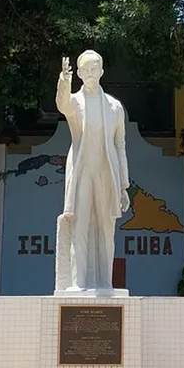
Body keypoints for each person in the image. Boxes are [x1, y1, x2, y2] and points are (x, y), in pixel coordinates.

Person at [54, 51, 131, 292]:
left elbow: (120, 145)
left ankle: (105, 282)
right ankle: (79, 282)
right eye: (85, 69)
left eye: (93, 68)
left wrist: (123, 186)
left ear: (102, 71)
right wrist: (63, 83)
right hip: (82, 171)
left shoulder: (115, 107)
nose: (89, 73)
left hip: (107, 174)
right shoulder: (75, 101)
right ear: (78, 73)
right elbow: (63, 105)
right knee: (80, 225)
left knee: (107, 229)